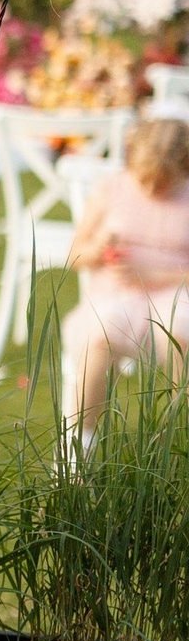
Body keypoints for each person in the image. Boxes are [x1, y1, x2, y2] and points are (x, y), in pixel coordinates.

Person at [63, 111, 189, 437]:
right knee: (100, 331)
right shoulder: (114, 188)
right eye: (143, 179)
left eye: (161, 182)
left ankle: (175, 439)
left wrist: (154, 275)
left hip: (173, 295)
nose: (149, 188)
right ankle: (81, 444)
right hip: (115, 296)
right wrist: (99, 248)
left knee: (181, 331)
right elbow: (75, 257)